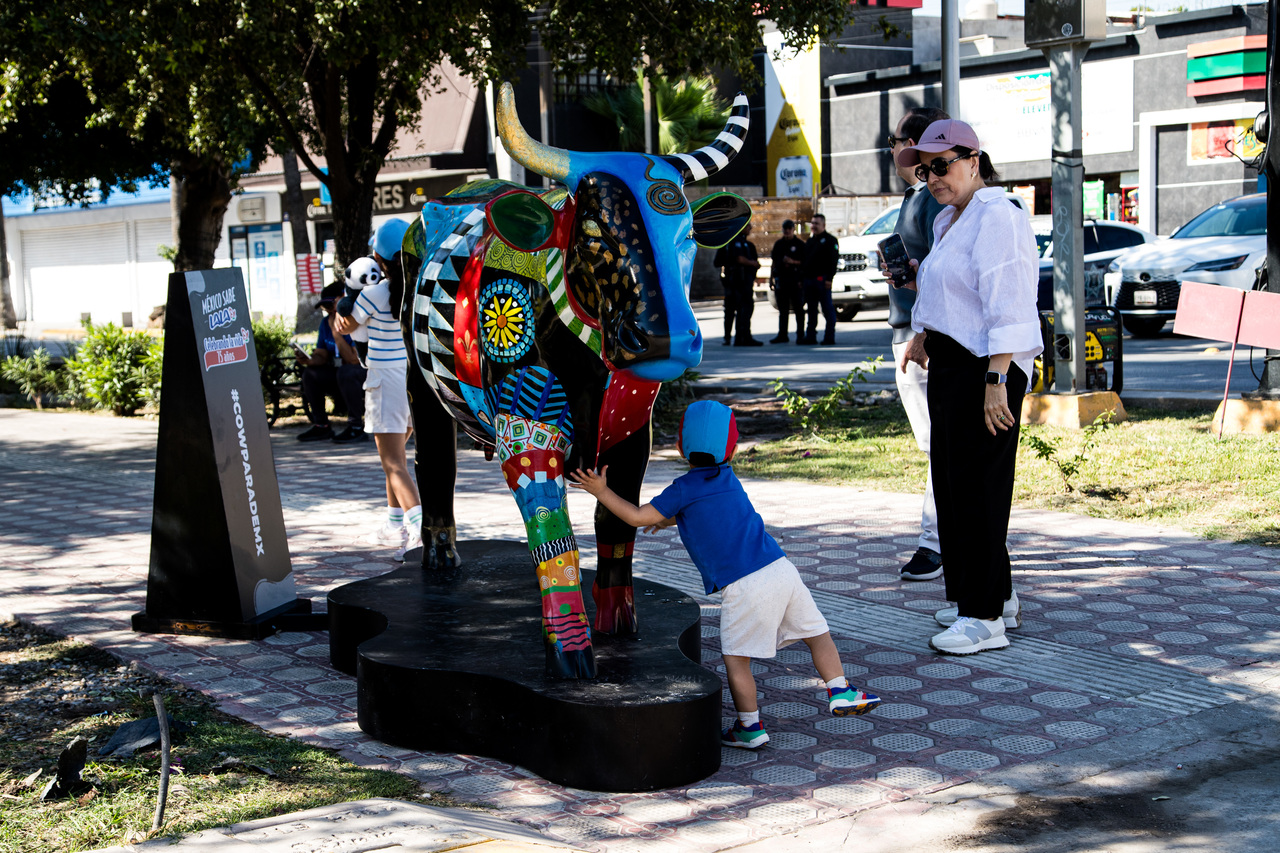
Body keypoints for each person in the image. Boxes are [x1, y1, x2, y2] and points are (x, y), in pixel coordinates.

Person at [569, 400, 881, 749]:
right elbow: (708, 509)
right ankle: (840, 689)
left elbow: (638, 516)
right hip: (781, 570)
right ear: (731, 449)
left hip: (745, 585)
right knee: (817, 635)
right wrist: (670, 519)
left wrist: (602, 491)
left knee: (737, 660)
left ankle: (749, 727)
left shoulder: (682, 489)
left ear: (679, 447)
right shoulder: (729, 478)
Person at [894, 119, 1042, 655]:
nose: (933, 177)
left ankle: (984, 619)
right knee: (956, 487)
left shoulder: (997, 214)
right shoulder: (949, 220)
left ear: (974, 161)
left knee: (979, 489)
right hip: (953, 365)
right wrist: (924, 337)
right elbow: (958, 296)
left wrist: (997, 379)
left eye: (942, 164)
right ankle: (992, 597)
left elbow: (1009, 300)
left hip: (987, 368)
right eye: (924, 169)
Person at [886, 107, 949, 582]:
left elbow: (945, 273)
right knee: (937, 446)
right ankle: (953, 538)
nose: (892, 151)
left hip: (922, 335)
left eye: (894, 141)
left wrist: (924, 334)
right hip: (911, 331)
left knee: (939, 446)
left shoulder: (934, 199)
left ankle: (937, 543)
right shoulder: (918, 197)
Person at [335, 218, 423, 560]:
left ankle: (419, 530)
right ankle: (394, 524)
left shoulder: (373, 294)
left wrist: (342, 308)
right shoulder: (419, 288)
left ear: (377, 257)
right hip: (414, 380)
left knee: (393, 463)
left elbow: (346, 325)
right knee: (395, 459)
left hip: (385, 381)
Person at [295, 282, 367, 443]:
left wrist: (336, 332)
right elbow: (322, 355)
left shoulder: (355, 321)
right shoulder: (326, 323)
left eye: (330, 305)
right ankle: (321, 425)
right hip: (339, 372)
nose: (328, 310)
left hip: (360, 372)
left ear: (343, 299)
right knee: (310, 374)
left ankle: (356, 427)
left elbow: (353, 359)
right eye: (324, 306)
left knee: (347, 372)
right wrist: (310, 360)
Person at [714, 223, 763, 346]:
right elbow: (735, 260)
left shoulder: (747, 245)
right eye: (747, 226)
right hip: (736, 282)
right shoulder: (731, 243)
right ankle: (736, 337)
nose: (750, 228)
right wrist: (751, 263)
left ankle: (739, 337)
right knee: (738, 310)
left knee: (740, 310)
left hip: (742, 282)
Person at [800, 213, 839, 346]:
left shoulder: (830, 241)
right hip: (809, 281)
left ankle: (829, 337)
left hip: (822, 281)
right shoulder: (810, 241)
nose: (813, 226)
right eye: (812, 223)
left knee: (827, 309)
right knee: (811, 310)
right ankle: (810, 336)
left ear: (823, 225)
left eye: (816, 223)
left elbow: (833, 261)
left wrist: (829, 279)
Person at [769, 219, 806, 343]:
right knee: (783, 310)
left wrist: (792, 262)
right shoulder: (779, 244)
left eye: (789, 229)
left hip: (795, 280)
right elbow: (774, 262)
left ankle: (800, 335)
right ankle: (782, 334)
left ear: (793, 230)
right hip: (782, 280)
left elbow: (805, 263)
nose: (787, 231)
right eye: (785, 229)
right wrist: (771, 279)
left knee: (798, 309)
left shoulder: (799, 244)